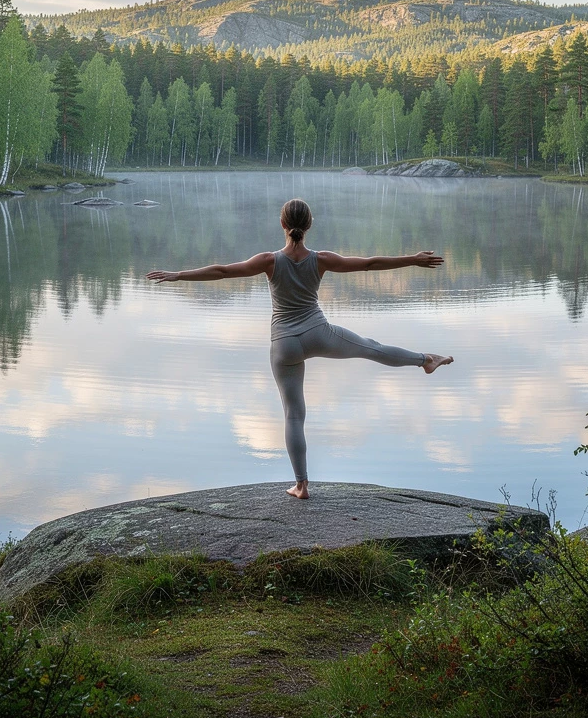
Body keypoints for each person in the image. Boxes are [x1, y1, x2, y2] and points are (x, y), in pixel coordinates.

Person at [146, 198, 453, 500]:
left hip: (284, 345)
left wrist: (178, 275)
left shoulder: (269, 260)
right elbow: (369, 265)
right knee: (371, 348)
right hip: (319, 333)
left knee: (294, 415)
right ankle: (425, 359)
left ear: (282, 224)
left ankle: (301, 486)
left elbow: (223, 271)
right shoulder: (321, 259)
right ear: (309, 226)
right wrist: (412, 259)